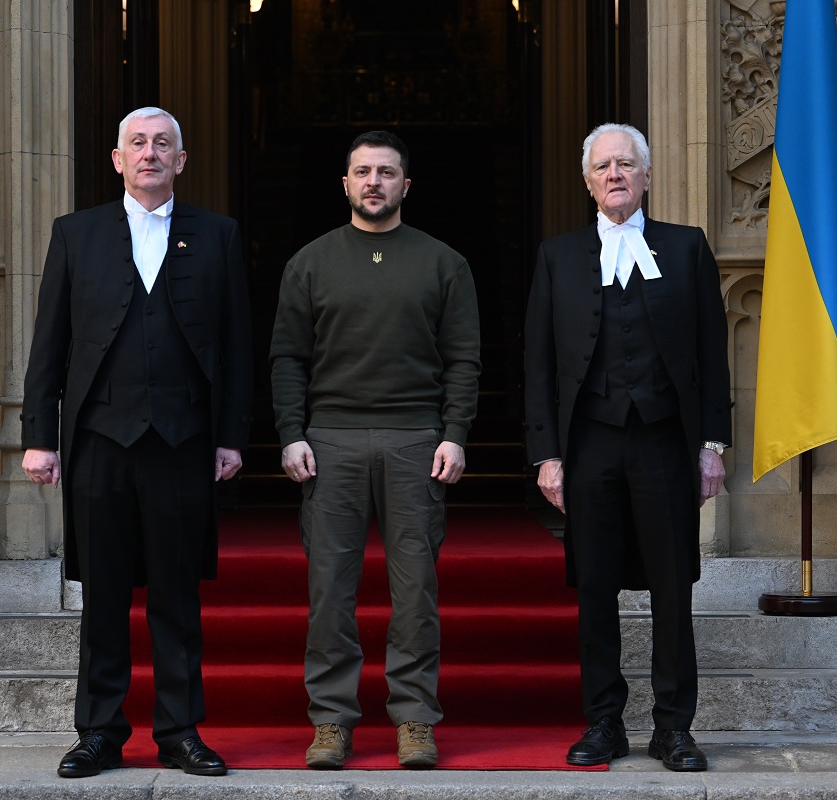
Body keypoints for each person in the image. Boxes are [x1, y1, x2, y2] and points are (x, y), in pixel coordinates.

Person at [21, 107, 252, 779]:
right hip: (98, 442)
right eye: (137, 144)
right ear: (118, 159)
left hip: (183, 442)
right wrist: (40, 438)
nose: (150, 154)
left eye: (163, 145)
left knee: (178, 598)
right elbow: (48, 348)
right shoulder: (76, 234)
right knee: (104, 598)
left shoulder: (219, 236)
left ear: (181, 160)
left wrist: (232, 436)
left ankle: (180, 732)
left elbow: (237, 346)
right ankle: (98, 732)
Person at [269, 130, 480, 770]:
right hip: (329, 441)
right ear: (345, 183)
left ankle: (415, 719)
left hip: (417, 439)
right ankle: (331, 721)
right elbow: (288, 357)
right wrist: (291, 432)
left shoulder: (444, 263)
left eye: (386, 173)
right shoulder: (310, 262)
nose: (373, 183)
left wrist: (455, 433)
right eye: (362, 172)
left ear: (405, 185)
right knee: (330, 589)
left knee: (415, 590)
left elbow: (463, 359)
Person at [523, 123, 731, 772]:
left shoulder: (686, 247)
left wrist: (712, 445)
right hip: (588, 449)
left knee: (673, 588)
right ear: (587, 181)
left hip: (666, 444)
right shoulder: (557, 257)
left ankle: (673, 729)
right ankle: (604, 723)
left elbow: (711, 355)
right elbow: (538, 365)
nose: (615, 174)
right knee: (595, 588)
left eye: (626, 164)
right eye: (603, 166)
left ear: (647, 176)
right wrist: (546, 455)